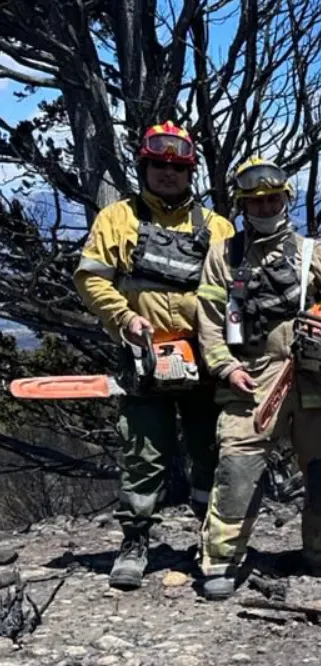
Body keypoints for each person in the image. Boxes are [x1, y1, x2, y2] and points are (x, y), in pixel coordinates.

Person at [194, 157, 321, 600]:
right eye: (255, 202)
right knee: (238, 465)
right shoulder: (224, 255)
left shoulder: (313, 253)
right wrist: (225, 366)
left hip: (317, 379)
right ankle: (221, 559)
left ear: (286, 199)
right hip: (252, 376)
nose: (265, 207)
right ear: (242, 206)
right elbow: (210, 317)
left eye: (272, 198)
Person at [73, 121, 235, 590]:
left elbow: (234, 293)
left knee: (211, 450)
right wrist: (124, 319)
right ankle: (135, 540)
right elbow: (92, 278)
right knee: (143, 453)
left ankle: (211, 537)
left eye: (177, 167)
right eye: (159, 165)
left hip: (204, 356)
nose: (168, 174)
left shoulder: (216, 227)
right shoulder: (117, 218)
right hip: (143, 355)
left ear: (190, 172)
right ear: (144, 166)